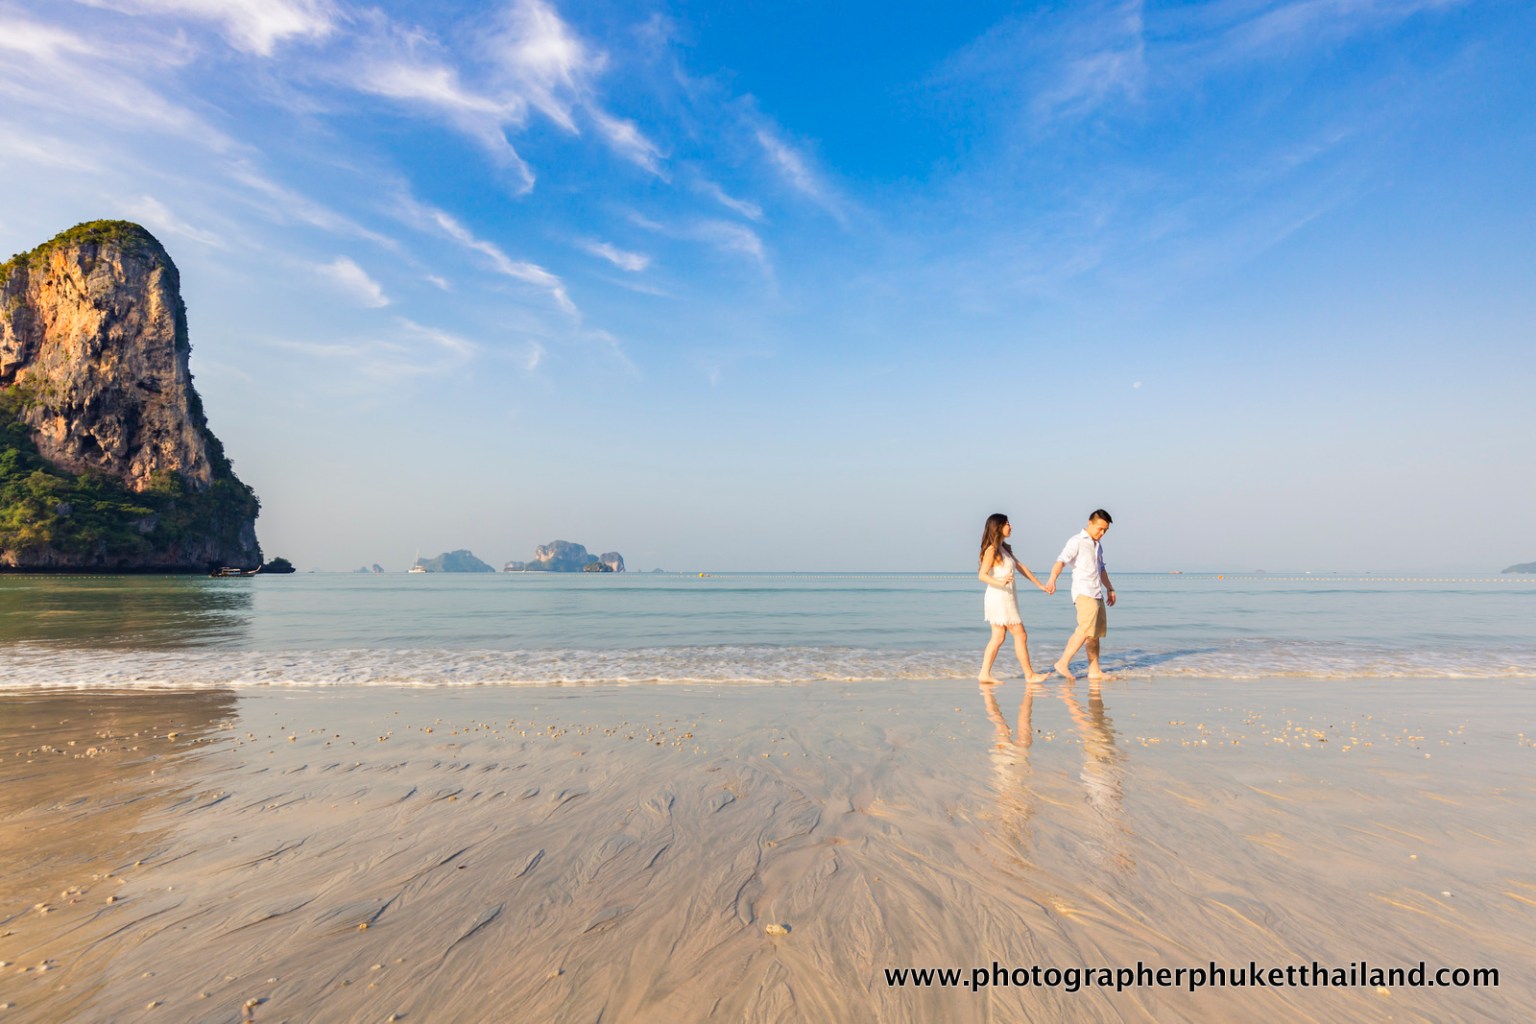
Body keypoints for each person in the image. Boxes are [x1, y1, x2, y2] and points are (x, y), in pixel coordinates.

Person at [1044, 509, 1117, 682]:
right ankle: (1062, 662)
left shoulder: (1098, 545)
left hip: (1096, 592)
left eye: (1105, 531)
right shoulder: (1077, 541)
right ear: (1089, 523)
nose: (1102, 533)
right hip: (1083, 592)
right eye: (1100, 528)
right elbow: (1061, 560)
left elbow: (1101, 569)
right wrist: (1052, 579)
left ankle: (1094, 670)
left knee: (1094, 634)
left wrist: (1110, 588)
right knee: (1085, 629)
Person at [977, 513, 1049, 685]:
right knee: (1020, 634)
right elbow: (982, 575)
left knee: (998, 637)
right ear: (998, 527)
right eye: (1007, 523)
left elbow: (1021, 567)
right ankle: (1029, 675)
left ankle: (984, 674)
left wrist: (1040, 585)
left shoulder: (1004, 548)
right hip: (999, 596)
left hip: (1006, 596)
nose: (1011, 526)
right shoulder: (992, 550)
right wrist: (1000, 582)